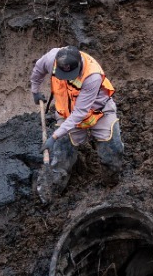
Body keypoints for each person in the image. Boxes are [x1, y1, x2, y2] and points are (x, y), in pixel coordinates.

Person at [30, 46, 124, 200]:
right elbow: (38, 71)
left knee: (113, 153)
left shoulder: (92, 75)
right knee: (61, 156)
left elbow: (80, 113)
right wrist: (35, 91)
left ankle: (112, 188)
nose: (66, 78)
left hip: (98, 112)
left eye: (70, 75)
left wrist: (53, 137)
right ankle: (50, 194)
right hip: (67, 114)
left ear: (79, 66)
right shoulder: (52, 58)